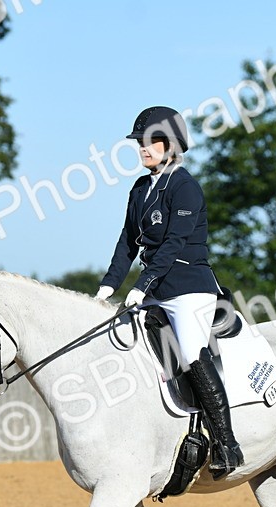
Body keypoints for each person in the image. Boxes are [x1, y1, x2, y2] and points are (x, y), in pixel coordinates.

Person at [95, 106, 244, 479]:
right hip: (154, 290)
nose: (143, 149)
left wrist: (142, 285)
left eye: (152, 141)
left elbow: (174, 244)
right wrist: (108, 286)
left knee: (191, 351)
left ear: (173, 145)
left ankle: (227, 442)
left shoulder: (185, 187)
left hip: (189, 289)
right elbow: (127, 244)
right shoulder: (141, 189)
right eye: (140, 142)